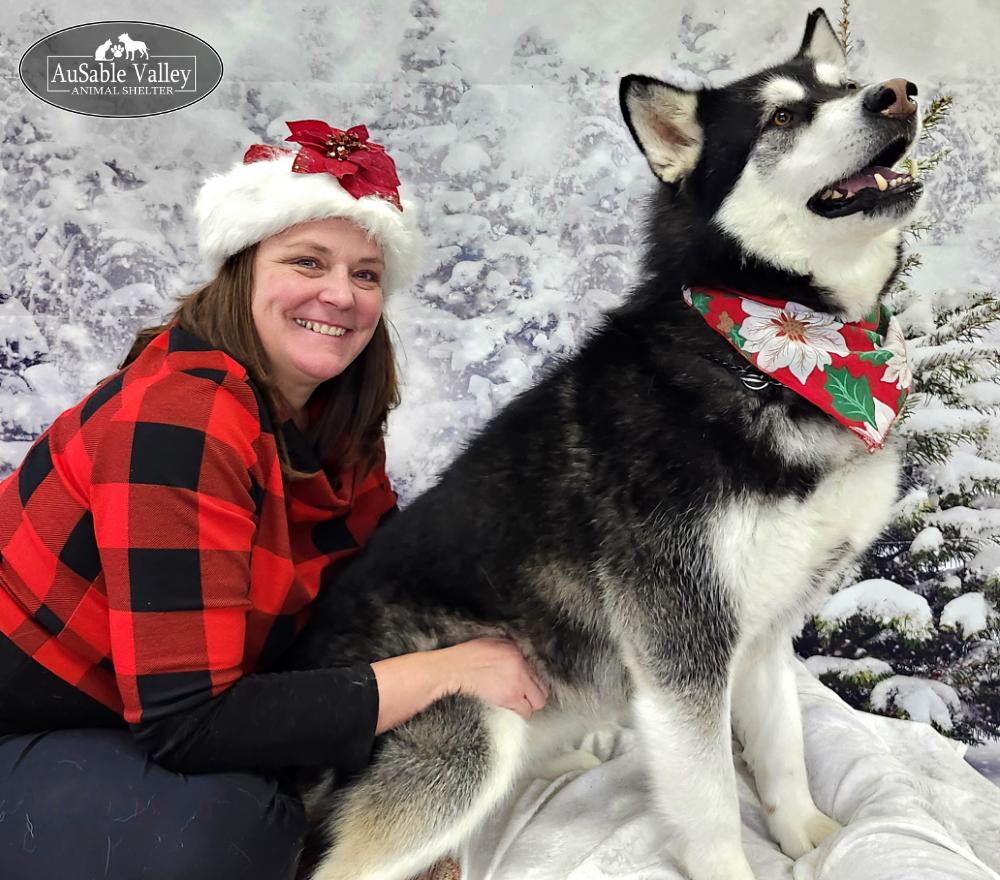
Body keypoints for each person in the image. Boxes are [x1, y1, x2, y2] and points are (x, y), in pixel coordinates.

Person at [0, 120, 547, 880]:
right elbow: (188, 723)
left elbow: (375, 592)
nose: (341, 295)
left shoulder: (330, 418)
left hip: (146, 708)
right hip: (38, 710)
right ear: (241, 271)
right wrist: (447, 670)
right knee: (235, 829)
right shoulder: (180, 418)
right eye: (307, 261)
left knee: (295, 777)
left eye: (365, 275)